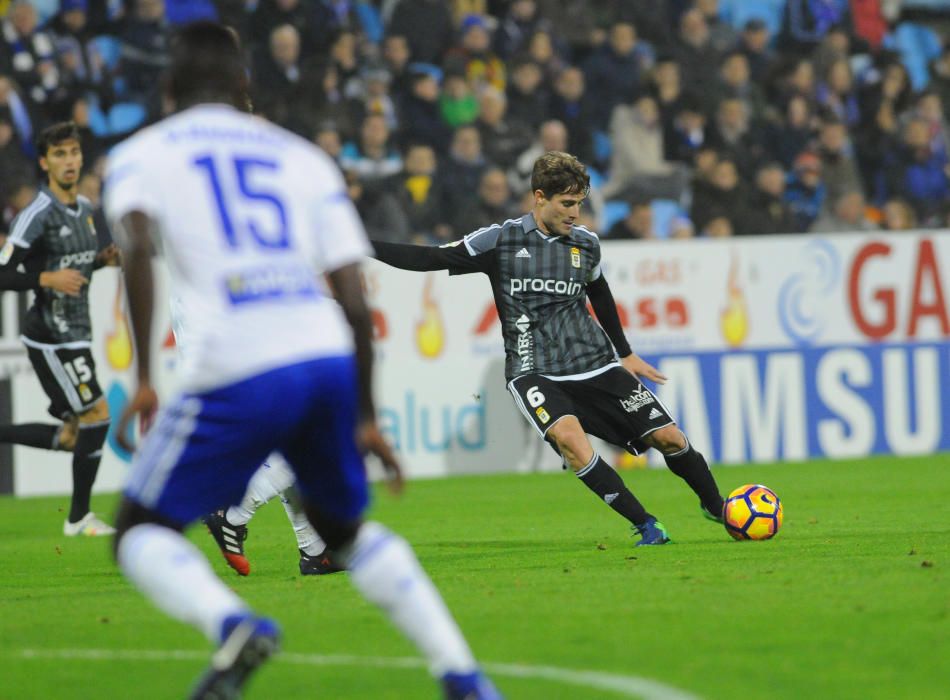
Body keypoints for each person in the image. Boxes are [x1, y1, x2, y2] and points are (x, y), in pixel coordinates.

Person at [103, 23, 499, 700]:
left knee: (139, 530)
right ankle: (464, 676)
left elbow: (136, 248)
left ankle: (232, 622)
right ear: (245, 87)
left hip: (236, 357)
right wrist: (367, 413)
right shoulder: (302, 158)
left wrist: (143, 377)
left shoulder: (143, 153)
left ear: (168, 90)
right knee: (347, 530)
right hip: (321, 355)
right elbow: (351, 292)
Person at [372, 151, 725, 547]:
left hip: (594, 363)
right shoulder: (501, 240)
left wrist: (624, 352)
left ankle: (717, 507)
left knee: (670, 438)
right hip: (533, 369)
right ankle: (646, 524)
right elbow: (430, 257)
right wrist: (362, 246)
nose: (576, 214)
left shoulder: (586, 245)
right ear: (539, 197)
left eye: (580, 204)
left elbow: (600, 293)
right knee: (572, 443)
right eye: (567, 204)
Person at [0, 121, 120, 537]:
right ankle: (79, 518)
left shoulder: (86, 210)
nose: (69, 162)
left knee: (74, 436)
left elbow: (76, 264)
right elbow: (3, 273)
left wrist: (103, 260)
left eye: (74, 153)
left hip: (78, 330)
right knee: (98, 414)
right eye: (59, 155)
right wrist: (46, 280)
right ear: (44, 162)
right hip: (51, 334)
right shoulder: (36, 214)